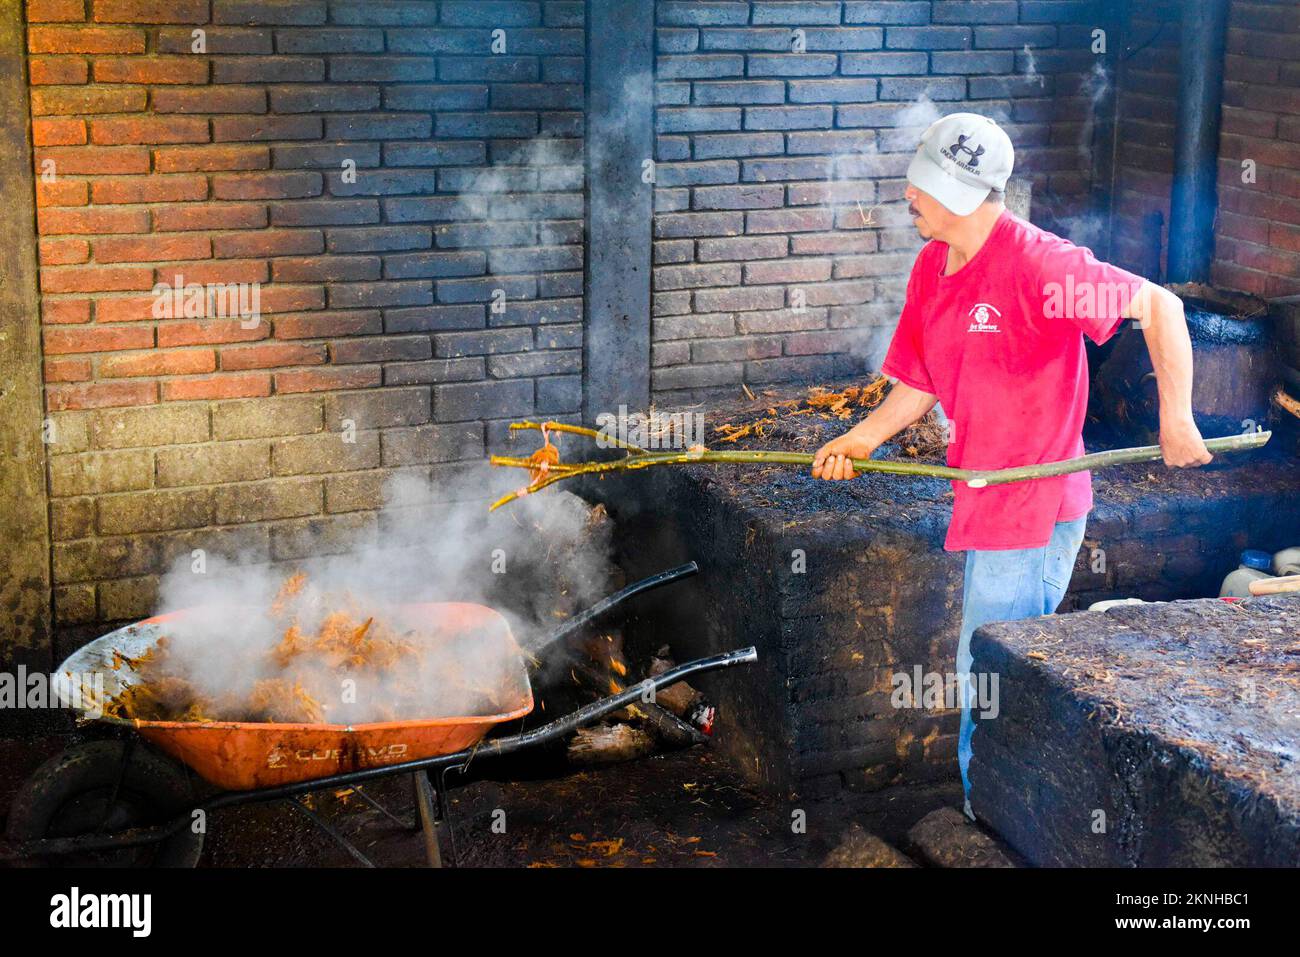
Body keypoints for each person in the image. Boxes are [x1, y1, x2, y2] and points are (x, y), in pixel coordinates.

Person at [811, 113, 1212, 818]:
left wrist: (1175, 418)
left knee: (990, 673)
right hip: (986, 490)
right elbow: (922, 378)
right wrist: (861, 440)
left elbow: (1159, 304)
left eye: (923, 188)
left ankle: (991, 816)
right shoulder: (934, 263)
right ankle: (1017, 804)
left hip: (1028, 497)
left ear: (966, 195)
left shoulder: (1039, 264)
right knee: (1007, 663)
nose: (909, 195)